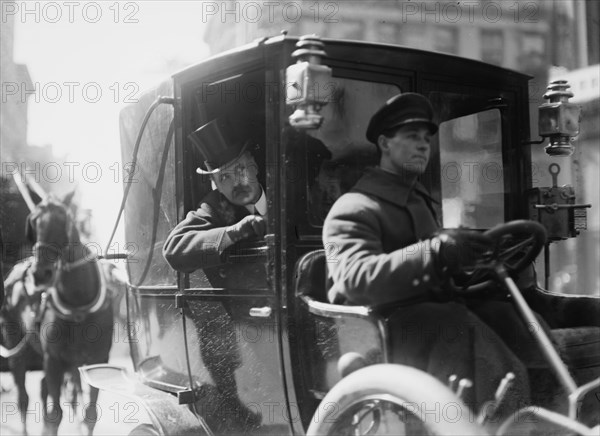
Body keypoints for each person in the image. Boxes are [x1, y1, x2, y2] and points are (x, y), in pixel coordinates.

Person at [322, 93, 554, 422]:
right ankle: (497, 423)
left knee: (512, 317)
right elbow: (354, 280)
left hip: (430, 316)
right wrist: (434, 253)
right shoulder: (353, 208)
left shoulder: (419, 201)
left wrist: (466, 255)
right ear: (385, 144)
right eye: (412, 137)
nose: (423, 146)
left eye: (427, 139)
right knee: (460, 328)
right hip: (386, 329)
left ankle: (555, 410)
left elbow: (439, 267)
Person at [163, 118, 267, 272]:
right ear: (216, 185)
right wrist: (234, 232)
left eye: (240, 170)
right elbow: (174, 250)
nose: (236, 183)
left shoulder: (283, 194)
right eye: (224, 177)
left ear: (254, 166)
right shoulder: (214, 207)